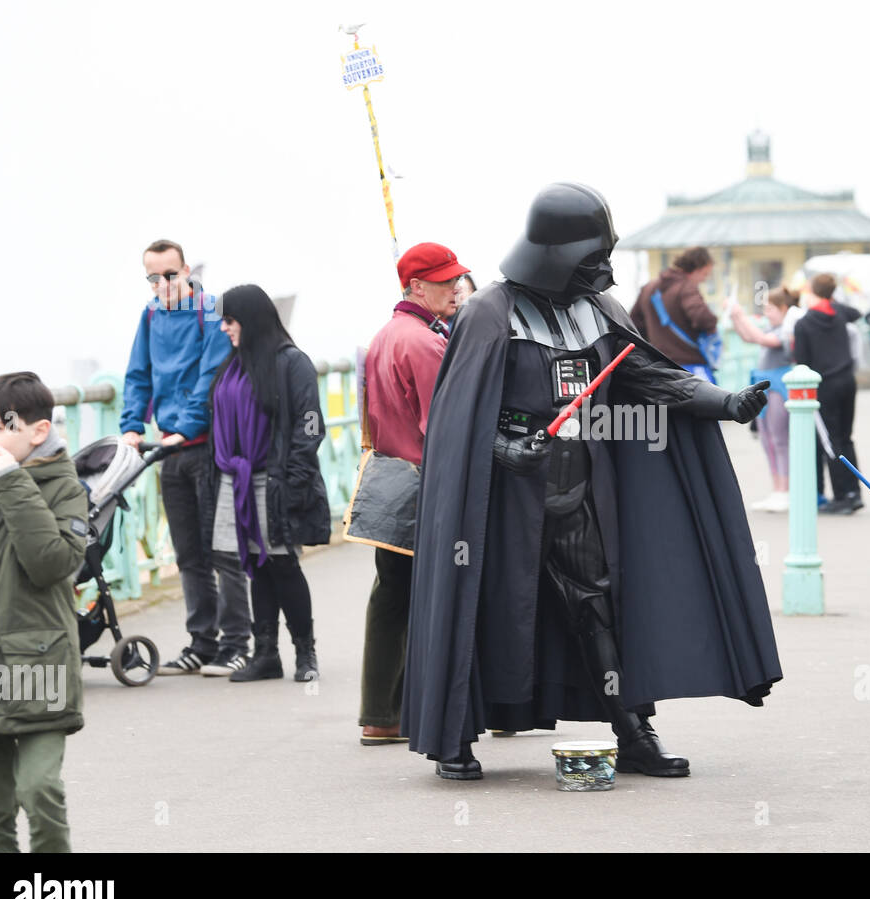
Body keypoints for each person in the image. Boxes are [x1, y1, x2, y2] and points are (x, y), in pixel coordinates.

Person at [402, 182, 782, 780]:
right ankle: (454, 738)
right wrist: (505, 446)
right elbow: (457, 423)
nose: (602, 270)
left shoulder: (599, 309)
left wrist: (724, 401)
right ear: (555, 252)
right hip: (498, 504)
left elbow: (650, 379)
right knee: (480, 603)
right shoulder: (487, 314)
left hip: (577, 492)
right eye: (591, 256)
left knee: (596, 608)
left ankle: (632, 731)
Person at [0, 372, 88, 853]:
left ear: (38, 431)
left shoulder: (64, 486)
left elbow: (51, 563)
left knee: (39, 790)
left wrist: (12, 481)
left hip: (40, 665)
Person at [121, 239, 250, 677]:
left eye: (169, 275)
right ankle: (202, 643)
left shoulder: (211, 311)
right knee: (188, 554)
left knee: (224, 552)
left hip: (208, 447)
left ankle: (237, 644)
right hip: (169, 451)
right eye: (153, 278)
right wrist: (132, 425)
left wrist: (185, 428)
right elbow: (139, 373)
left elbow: (212, 375)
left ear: (187, 270)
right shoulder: (151, 314)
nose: (162, 285)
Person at [355, 243, 464, 745]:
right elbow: (444, 424)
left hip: (388, 481)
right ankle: (470, 710)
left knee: (391, 596)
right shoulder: (424, 343)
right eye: (444, 280)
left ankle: (381, 714)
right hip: (427, 485)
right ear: (416, 286)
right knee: (451, 596)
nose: (455, 287)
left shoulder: (384, 337)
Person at [207, 286, 332, 683]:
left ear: (252, 319)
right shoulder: (234, 364)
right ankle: (265, 654)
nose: (225, 327)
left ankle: (305, 653)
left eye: (231, 319)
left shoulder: (291, 363)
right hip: (238, 479)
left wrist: (294, 479)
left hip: (275, 479)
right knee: (256, 566)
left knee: (282, 563)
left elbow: (310, 424)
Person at [794, 273, 864, 514]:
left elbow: (801, 363)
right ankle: (854, 491)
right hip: (848, 381)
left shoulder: (803, 323)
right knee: (846, 437)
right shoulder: (840, 313)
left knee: (830, 441)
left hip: (824, 386)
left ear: (811, 292)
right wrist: (832, 300)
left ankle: (842, 496)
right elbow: (857, 313)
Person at [731, 286, 800, 511]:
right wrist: (735, 317)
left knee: (780, 439)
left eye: (770, 308)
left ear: (783, 309)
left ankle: (785, 490)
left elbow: (762, 339)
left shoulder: (785, 330)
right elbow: (750, 337)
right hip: (765, 385)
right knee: (767, 439)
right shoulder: (773, 327)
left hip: (779, 386)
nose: (767, 312)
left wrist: (742, 317)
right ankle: (777, 489)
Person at [628, 246, 721, 381]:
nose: (703, 280)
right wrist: (712, 326)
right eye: (705, 274)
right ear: (696, 268)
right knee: (711, 401)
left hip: (661, 367)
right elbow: (703, 318)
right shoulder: (686, 287)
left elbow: (634, 325)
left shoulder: (648, 288)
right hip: (691, 367)